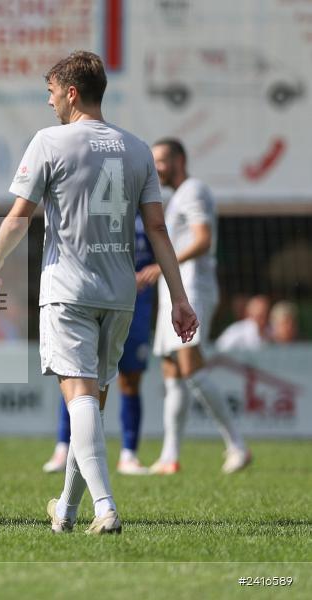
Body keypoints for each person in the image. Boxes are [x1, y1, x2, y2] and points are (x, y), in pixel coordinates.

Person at [0, 51, 198, 534]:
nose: (51, 101)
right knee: (92, 406)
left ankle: (106, 508)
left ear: (72, 92)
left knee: (79, 399)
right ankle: (67, 509)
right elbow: (159, 230)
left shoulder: (49, 141)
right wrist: (179, 298)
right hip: (120, 292)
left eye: (53, 93)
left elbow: (20, 215)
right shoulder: (138, 148)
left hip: (68, 289)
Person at [145, 138, 251, 475]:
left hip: (192, 288)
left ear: (180, 159)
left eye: (161, 160)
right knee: (172, 371)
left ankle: (236, 445)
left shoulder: (194, 190)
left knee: (190, 366)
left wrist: (162, 263)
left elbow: (203, 240)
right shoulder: (176, 198)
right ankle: (169, 457)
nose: (157, 167)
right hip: (174, 289)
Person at [44, 213, 157, 475]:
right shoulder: (93, 209)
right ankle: (64, 446)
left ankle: (129, 454)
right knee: (78, 373)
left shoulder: (146, 213)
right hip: (94, 298)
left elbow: (158, 251)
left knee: (131, 377)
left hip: (136, 303)